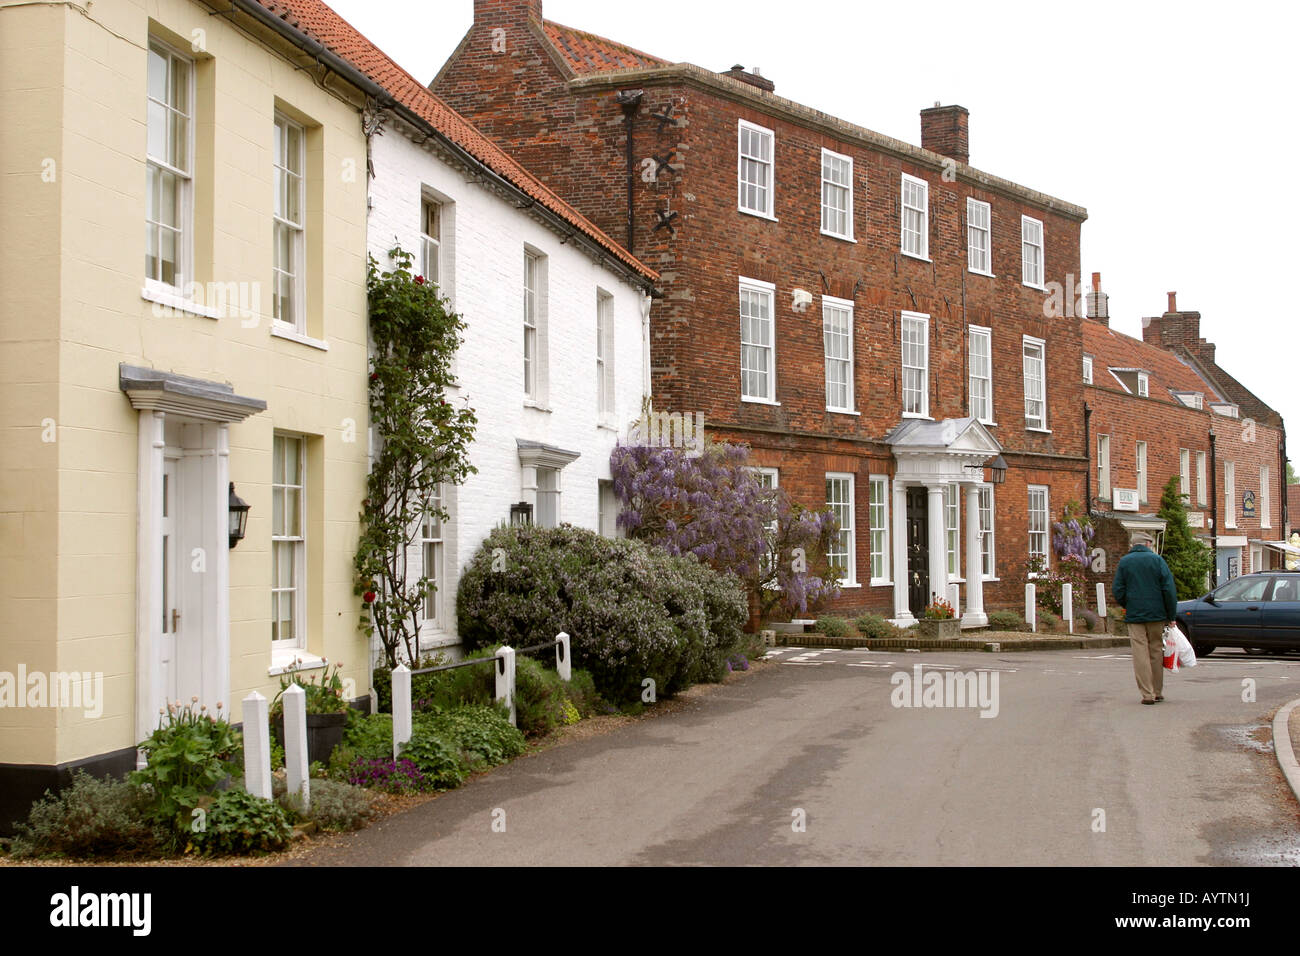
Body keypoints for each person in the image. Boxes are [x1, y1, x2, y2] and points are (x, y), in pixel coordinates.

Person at [1112, 530, 1179, 705]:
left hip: (1135, 615)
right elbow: (1169, 590)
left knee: (1140, 652)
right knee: (1156, 650)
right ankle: (1157, 691)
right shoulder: (1157, 561)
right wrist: (1171, 615)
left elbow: (1118, 589)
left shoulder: (1125, 562)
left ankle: (1147, 694)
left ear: (1133, 545)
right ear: (1148, 544)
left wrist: (1129, 604)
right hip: (1157, 614)